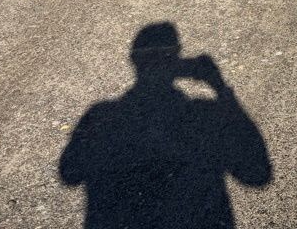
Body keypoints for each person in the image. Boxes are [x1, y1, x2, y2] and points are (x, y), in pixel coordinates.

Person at [59, 22, 272, 228]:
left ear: (134, 61)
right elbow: (256, 173)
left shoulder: (101, 116)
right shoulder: (205, 115)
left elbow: (70, 173)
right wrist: (220, 87)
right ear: (178, 63)